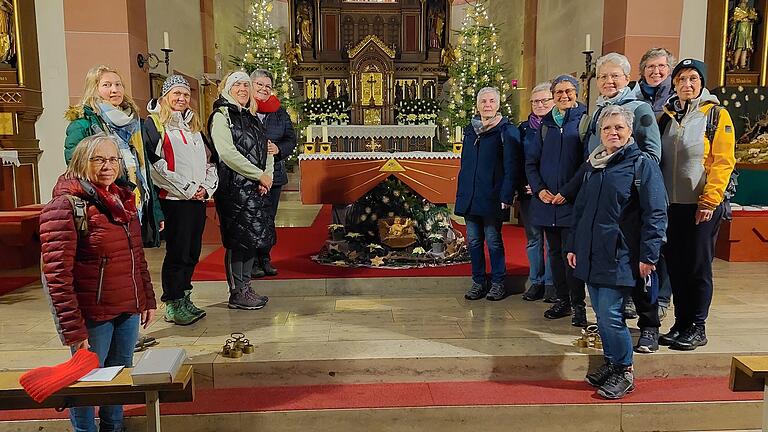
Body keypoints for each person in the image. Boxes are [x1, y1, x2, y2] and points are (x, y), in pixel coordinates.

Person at [40, 134, 157, 431]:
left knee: (118, 376)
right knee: (86, 380)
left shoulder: (122, 199)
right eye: (99, 159)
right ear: (82, 162)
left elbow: (136, 257)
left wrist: (146, 299)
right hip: (92, 314)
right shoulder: (65, 205)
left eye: (113, 159)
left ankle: (113, 427)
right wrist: (73, 329)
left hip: (126, 308)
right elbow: (57, 276)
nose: (108, 166)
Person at [568, 105, 667, 400]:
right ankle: (611, 363)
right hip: (590, 251)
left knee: (611, 315)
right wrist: (574, 244)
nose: (612, 132)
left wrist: (649, 255)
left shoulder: (641, 165)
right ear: (600, 133)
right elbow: (581, 209)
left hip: (620, 252)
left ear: (630, 131)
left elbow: (656, 211)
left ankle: (624, 370)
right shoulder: (594, 164)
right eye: (607, 128)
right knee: (600, 313)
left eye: (619, 128)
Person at [64, 65, 163, 352]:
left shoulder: (132, 122)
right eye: (106, 85)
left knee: (129, 259)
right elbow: (77, 160)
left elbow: (143, 169)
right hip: (102, 201)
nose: (114, 90)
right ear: (94, 89)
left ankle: (126, 326)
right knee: (103, 265)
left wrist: (154, 210)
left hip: (130, 199)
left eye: (118, 84)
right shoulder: (82, 122)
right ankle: (103, 334)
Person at [657, 59, 736, 351]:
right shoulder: (666, 116)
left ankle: (698, 325)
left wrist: (710, 199)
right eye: (680, 79)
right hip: (672, 205)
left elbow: (723, 162)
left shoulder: (716, 115)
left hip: (701, 205)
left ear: (702, 83)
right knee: (676, 266)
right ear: (674, 84)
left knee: (697, 266)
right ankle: (681, 322)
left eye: (692, 79)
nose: (686, 85)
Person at [144, 75, 218, 325]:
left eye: (185, 95)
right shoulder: (154, 124)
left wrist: (206, 189)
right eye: (176, 94)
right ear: (165, 96)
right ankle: (173, 303)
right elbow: (154, 166)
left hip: (196, 200)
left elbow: (211, 161)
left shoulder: (193, 125)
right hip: (174, 200)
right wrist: (188, 188)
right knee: (177, 253)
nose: (181, 99)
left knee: (192, 252)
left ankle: (185, 297)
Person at [208, 71, 275, 310]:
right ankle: (237, 292)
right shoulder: (221, 116)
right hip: (234, 187)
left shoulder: (251, 117)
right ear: (227, 88)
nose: (243, 89)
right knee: (238, 241)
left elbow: (267, 149)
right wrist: (259, 175)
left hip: (254, 187)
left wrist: (267, 176)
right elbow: (226, 153)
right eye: (237, 85)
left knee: (251, 240)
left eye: (246, 85)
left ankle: (246, 287)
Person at [525, 75, 588, 326]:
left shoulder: (584, 121)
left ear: (577, 93)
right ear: (553, 96)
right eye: (559, 92)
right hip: (547, 202)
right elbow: (531, 162)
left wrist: (568, 192)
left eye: (569, 91)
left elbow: (587, 162)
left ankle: (579, 304)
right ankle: (562, 300)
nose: (564, 96)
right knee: (554, 253)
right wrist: (540, 190)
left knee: (571, 254)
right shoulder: (545, 125)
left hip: (571, 201)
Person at [455, 87, 521, 301]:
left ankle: (499, 283)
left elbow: (512, 167)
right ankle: (478, 281)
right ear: (477, 105)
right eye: (483, 101)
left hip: (493, 196)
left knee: (493, 240)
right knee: (473, 241)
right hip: (471, 195)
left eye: (492, 101)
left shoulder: (506, 131)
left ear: (498, 104)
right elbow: (465, 164)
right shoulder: (469, 130)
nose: (487, 105)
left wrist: (506, 195)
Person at [250, 69, 297, 277]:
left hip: (274, 175)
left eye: (267, 86)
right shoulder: (243, 109)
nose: (263, 89)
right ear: (251, 86)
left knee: (268, 218)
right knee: (252, 217)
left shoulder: (279, 112)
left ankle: (265, 258)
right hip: (249, 176)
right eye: (259, 85)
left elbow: (291, 140)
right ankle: (250, 261)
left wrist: (279, 149)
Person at [518, 82, 555, 302]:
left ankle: (551, 283)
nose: (539, 105)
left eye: (544, 100)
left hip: (551, 193)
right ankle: (536, 281)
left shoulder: (558, 126)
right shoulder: (523, 128)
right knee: (533, 239)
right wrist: (525, 185)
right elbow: (520, 160)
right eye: (535, 101)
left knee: (551, 241)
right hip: (528, 192)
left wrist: (543, 186)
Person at [634, 48, 676, 115]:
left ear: (669, 70)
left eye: (661, 66)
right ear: (643, 71)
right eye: (651, 66)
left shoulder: (676, 94)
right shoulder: (633, 94)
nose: (656, 71)